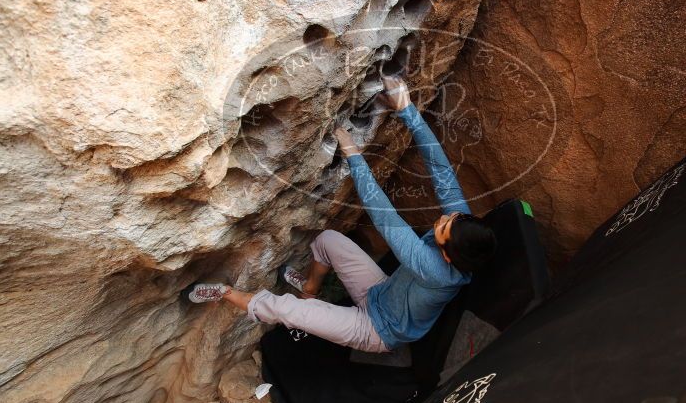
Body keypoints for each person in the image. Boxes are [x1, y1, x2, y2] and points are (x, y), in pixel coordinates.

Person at [188, 76, 496, 353]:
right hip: (380, 292)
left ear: (448, 255)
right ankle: (310, 290)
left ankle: (226, 292)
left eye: (444, 228)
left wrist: (352, 154)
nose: (443, 219)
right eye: (451, 218)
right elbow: (442, 171)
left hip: (377, 331)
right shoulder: (460, 232)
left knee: (290, 312)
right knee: (328, 240)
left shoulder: (434, 270)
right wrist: (406, 109)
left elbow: (385, 218)